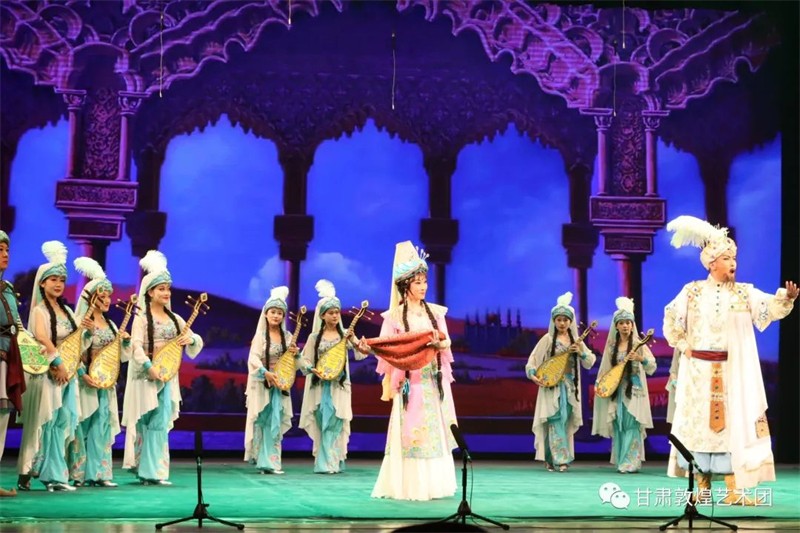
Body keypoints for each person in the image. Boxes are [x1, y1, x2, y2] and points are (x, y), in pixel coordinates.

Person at [663, 215, 797, 504]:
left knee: (734, 426)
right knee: (699, 427)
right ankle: (702, 487)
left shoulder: (743, 292)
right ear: (712, 263)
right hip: (698, 372)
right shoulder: (692, 292)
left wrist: (785, 298)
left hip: (732, 373)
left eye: (734, 258)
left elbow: (769, 307)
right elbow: (671, 317)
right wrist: (684, 346)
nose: (733, 263)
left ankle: (734, 490)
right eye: (726, 258)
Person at [363, 241, 457, 501]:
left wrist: (440, 344)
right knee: (410, 430)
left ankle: (434, 485)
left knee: (434, 429)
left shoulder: (435, 312)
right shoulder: (394, 317)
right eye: (417, 283)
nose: (423, 286)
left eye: (425, 281)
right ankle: (408, 486)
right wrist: (367, 348)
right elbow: (386, 348)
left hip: (431, 379)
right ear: (406, 286)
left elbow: (447, 340)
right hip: (409, 382)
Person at [122, 250, 203, 485]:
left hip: (167, 377)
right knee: (145, 420)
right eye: (161, 289)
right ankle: (144, 469)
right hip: (145, 376)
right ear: (150, 292)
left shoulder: (176, 319)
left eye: (168, 289)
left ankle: (156, 471)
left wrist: (191, 339)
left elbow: (195, 339)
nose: (166, 293)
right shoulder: (141, 318)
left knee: (160, 421)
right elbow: (136, 346)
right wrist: (149, 367)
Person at [17, 241, 79, 492]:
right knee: (44, 422)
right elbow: (42, 338)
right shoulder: (38, 311)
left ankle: (55, 475)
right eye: (53, 279)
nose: (58, 284)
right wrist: (57, 363)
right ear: (42, 283)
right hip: (47, 374)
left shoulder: (67, 312)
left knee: (60, 422)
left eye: (61, 280)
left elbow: (75, 340)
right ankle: (28, 472)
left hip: (67, 374)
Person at [67, 257, 130, 487]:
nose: (106, 300)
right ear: (90, 298)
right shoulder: (81, 322)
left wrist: (124, 343)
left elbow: (117, 356)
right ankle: (78, 474)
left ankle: (100, 473)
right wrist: (82, 374)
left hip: (105, 383)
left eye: (108, 296)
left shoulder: (111, 325)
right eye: (101, 296)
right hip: (86, 381)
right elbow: (73, 352)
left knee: (102, 425)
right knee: (83, 425)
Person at [299, 279, 367, 474]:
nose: (335, 315)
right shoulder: (314, 338)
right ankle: (324, 462)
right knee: (323, 423)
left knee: (336, 422)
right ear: (322, 315)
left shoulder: (345, 334)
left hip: (340, 385)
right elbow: (304, 360)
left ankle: (332, 461)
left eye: (337, 312)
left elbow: (361, 354)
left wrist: (358, 343)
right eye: (331, 312)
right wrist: (312, 369)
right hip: (320, 386)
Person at [525, 291, 595, 472]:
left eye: (565, 320)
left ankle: (552, 457)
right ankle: (560, 459)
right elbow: (533, 360)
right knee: (554, 419)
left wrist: (581, 352)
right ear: (554, 321)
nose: (562, 323)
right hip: (552, 386)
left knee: (563, 421)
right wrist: (533, 374)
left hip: (569, 387)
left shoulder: (576, 341)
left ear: (570, 322)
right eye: (559, 320)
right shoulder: (548, 339)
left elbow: (590, 361)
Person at [592, 297, 656, 473]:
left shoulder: (638, 344)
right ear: (616, 326)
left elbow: (652, 366)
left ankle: (631, 462)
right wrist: (600, 384)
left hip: (634, 390)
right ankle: (622, 459)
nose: (625, 326)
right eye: (621, 323)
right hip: (617, 390)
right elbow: (605, 369)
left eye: (628, 323)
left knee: (632, 425)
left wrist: (641, 358)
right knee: (619, 425)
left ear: (632, 325)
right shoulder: (612, 346)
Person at [244, 286, 298, 474]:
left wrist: (296, 355)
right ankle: (262, 460)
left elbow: (292, 361)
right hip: (263, 382)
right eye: (273, 312)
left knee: (276, 421)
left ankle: (273, 462)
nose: (276, 316)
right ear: (266, 314)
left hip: (280, 383)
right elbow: (253, 358)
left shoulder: (287, 337)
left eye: (279, 313)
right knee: (263, 420)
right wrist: (264, 372)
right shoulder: (260, 336)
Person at [0, 230, 26, 497]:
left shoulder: (6, 289)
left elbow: (17, 324)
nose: (6, 254)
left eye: (7, 250)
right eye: (0, 250)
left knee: (2, 417)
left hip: (8, 357)